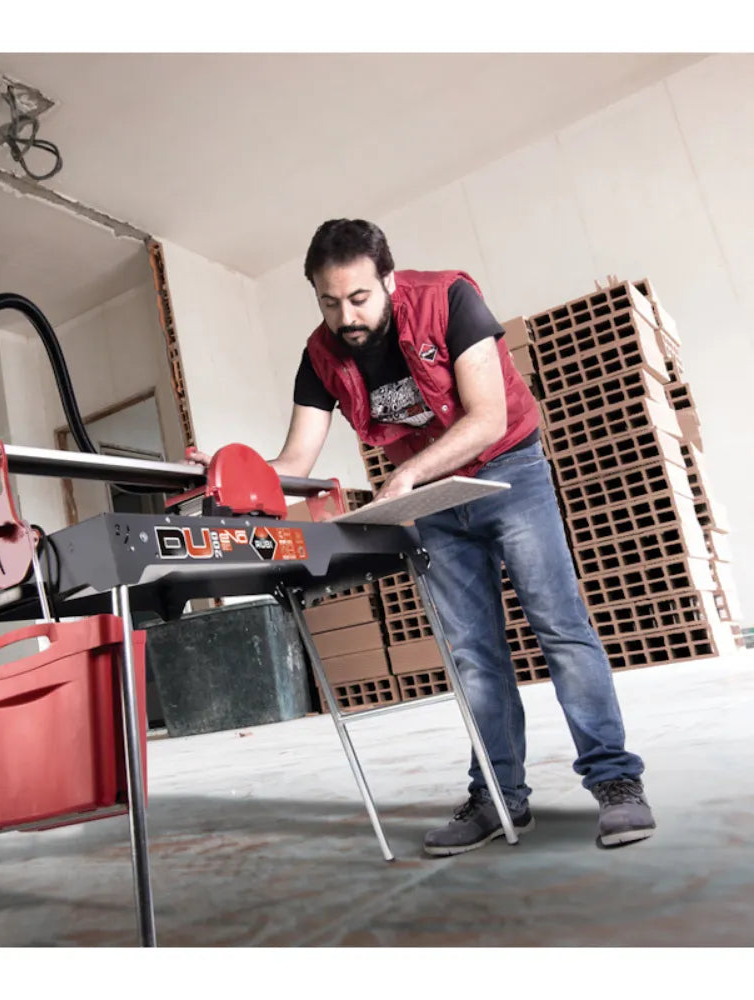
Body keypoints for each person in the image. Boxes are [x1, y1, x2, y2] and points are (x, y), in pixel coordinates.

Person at [191, 218, 656, 856]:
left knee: (560, 627)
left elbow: (488, 417)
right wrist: (229, 471)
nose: (346, 317)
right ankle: (498, 797)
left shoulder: (449, 299)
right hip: (434, 498)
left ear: (388, 278)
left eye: (359, 298)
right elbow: (295, 461)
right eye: (330, 302)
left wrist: (409, 472)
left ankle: (615, 782)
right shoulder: (320, 354)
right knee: (472, 654)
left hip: (508, 471)